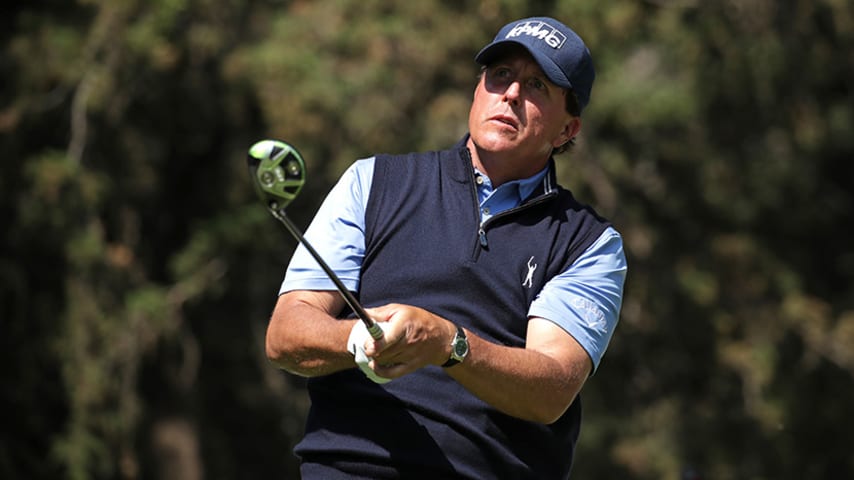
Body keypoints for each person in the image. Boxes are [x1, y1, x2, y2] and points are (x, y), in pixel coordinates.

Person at [265, 16, 627, 480]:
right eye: (500, 75)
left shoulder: (588, 243)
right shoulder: (374, 182)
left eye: (536, 84)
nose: (511, 94)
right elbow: (286, 333)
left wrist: (446, 344)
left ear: (567, 130)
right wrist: (360, 338)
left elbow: (550, 389)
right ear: (478, 90)